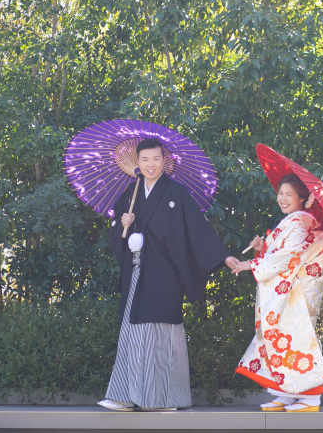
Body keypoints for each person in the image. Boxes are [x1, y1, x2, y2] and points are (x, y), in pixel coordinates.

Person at [98, 138, 239, 411]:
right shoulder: (131, 192)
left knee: (160, 334)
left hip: (165, 273)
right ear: (137, 163)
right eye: (145, 160)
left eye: (156, 159)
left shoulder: (176, 192)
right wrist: (122, 223)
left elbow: (198, 229)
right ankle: (125, 397)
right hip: (137, 271)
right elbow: (117, 226)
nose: (150, 165)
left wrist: (223, 256)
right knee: (132, 331)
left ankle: (163, 399)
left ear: (165, 161)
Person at [232, 173, 323, 412]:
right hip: (288, 290)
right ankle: (284, 393)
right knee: (279, 340)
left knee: (295, 339)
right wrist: (261, 250)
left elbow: (288, 257)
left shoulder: (299, 223)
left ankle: (310, 397)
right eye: (280, 193)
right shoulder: (295, 221)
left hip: (295, 293)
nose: (283, 199)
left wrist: (251, 264)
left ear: (301, 198)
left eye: (290, 194)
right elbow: (278, 256)